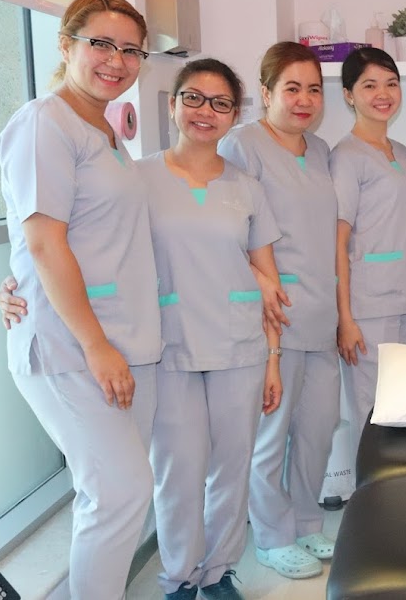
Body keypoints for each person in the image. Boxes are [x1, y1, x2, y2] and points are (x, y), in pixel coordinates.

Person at [0, 0, 161, 600]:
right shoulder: (45, 121)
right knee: (117, 493)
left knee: (121, 494)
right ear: (66, 45)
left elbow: (89, 232)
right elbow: (43, 242)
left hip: (122, 336)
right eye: (101, 43)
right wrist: (96, 345)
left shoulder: (105, 130)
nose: (117, 60)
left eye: (131, 50)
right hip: (73, 345)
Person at [144, 59, 284, 600]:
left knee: (232, 465)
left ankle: (219, 570)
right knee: (177, 470)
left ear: (234, 114)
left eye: (221, 103)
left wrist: (274, 359)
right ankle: (180, 577)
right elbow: (94, 247)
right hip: (169, 344)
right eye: (194, 98)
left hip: (240, 345)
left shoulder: (246, 188)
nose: (206, 111)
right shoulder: (139, 178)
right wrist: (17, 282)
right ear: (173, 104)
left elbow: (269, 281)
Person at [218, 42, 338, 580]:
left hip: (321, 314)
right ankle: (270, 536)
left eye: (313, 89)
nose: (304, 99)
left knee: (318, 429)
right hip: (273, 318)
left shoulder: (322, 151)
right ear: (266, 93)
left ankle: (308, 522)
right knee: (270, 436)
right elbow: (229, 228)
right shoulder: (242, 145)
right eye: (292, 88)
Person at [331, 47, 406, 445]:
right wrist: (345, 318)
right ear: (349, 95)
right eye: (369, 85)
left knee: (397, 407)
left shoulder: (401, 151)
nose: (383, 94)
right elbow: (338, 241)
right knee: (370, 412)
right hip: (367, 307)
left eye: (391, 84)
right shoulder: (347, 156)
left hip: (404, 299)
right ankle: (365, 482)